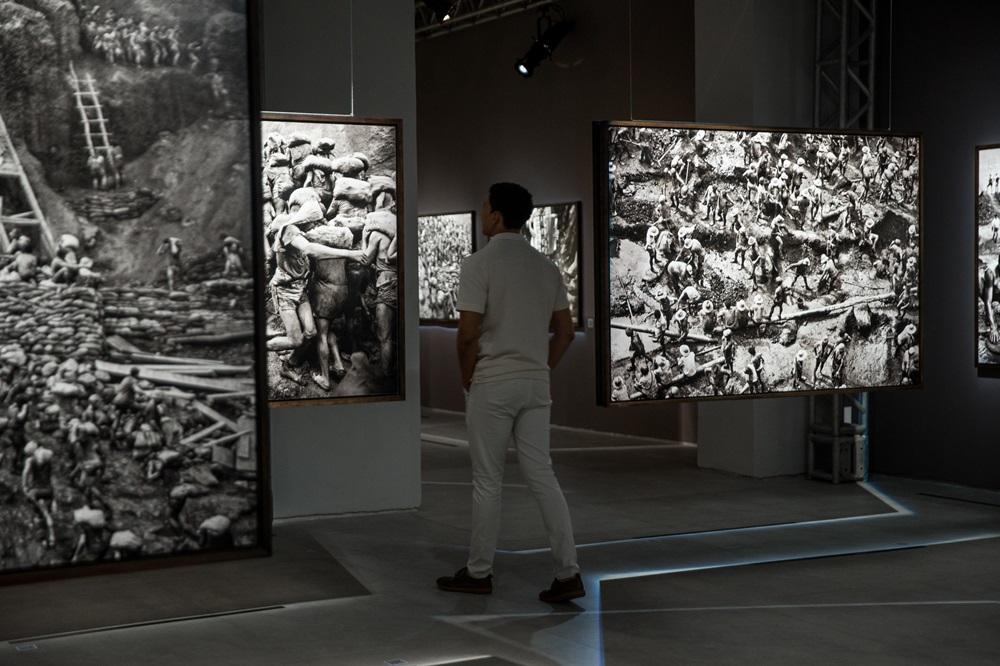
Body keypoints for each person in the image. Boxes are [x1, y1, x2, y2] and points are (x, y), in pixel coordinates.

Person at [437, 183, 582, 603]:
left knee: (488, 481)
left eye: (485, 207)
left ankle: (479, 571)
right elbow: (566, 332)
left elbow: (467, 334)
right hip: (535, 383)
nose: (482, 212)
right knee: (543, 476)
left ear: (496, 216)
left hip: (493, 382)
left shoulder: (478, 264)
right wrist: (540, 367)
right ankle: (568, 572)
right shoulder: (547, 267)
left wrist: (467, 376)